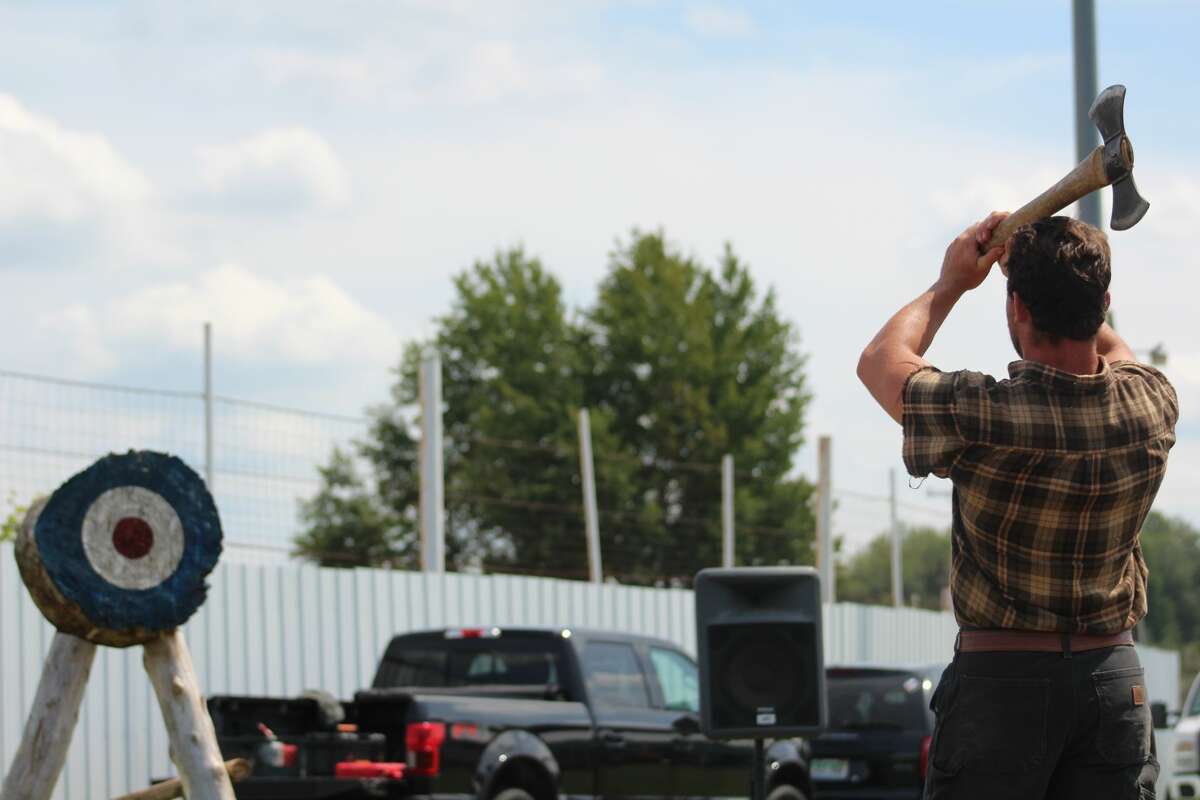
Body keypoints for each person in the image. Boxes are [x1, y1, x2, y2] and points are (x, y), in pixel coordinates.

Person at [856, 212, 1178, 799]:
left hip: (1001, 686)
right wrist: (1043, 276)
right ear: (1104, 301)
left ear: (1017, 310)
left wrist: (953, 281)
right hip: (1113, 681)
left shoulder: (983, 415)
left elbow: (881, 359)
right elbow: (1115, 349)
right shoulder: (1150, 404)